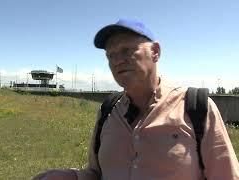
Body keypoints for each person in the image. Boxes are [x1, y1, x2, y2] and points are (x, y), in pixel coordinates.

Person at [32, 19, 239, 180]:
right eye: (110, 55)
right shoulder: (108, 111)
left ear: (155, 52)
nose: (117, 61)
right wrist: (72, 177)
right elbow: (97, 173)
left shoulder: (196, 108)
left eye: (127, 50)